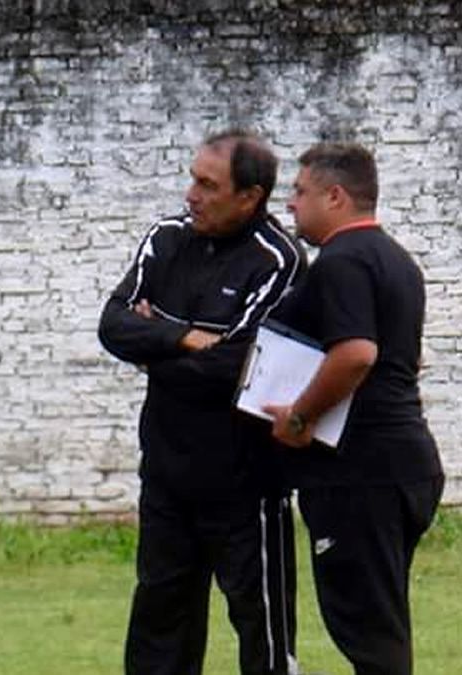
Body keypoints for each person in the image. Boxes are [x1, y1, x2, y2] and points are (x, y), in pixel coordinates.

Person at [99, 129, 304, 675]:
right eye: (193, 179)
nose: (192, 195)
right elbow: (112, 325)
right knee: (159, 621)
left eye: (208, 186)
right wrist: (184, 337)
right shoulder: (166, 238)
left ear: (250, 197)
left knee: (261, 627)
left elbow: (238, 366)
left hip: (245, 483)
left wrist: (153, 350)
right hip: (167, 475)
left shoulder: (278, 260)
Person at [263, 143, 445, 675]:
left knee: (368, 632)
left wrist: (300, 417)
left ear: (336, 197)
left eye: (300, 191)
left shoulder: (341, 261)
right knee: (379, 623)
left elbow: (356, 353)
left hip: (362, 471)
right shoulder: (397, 261)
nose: (291, 203)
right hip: (403, 462)